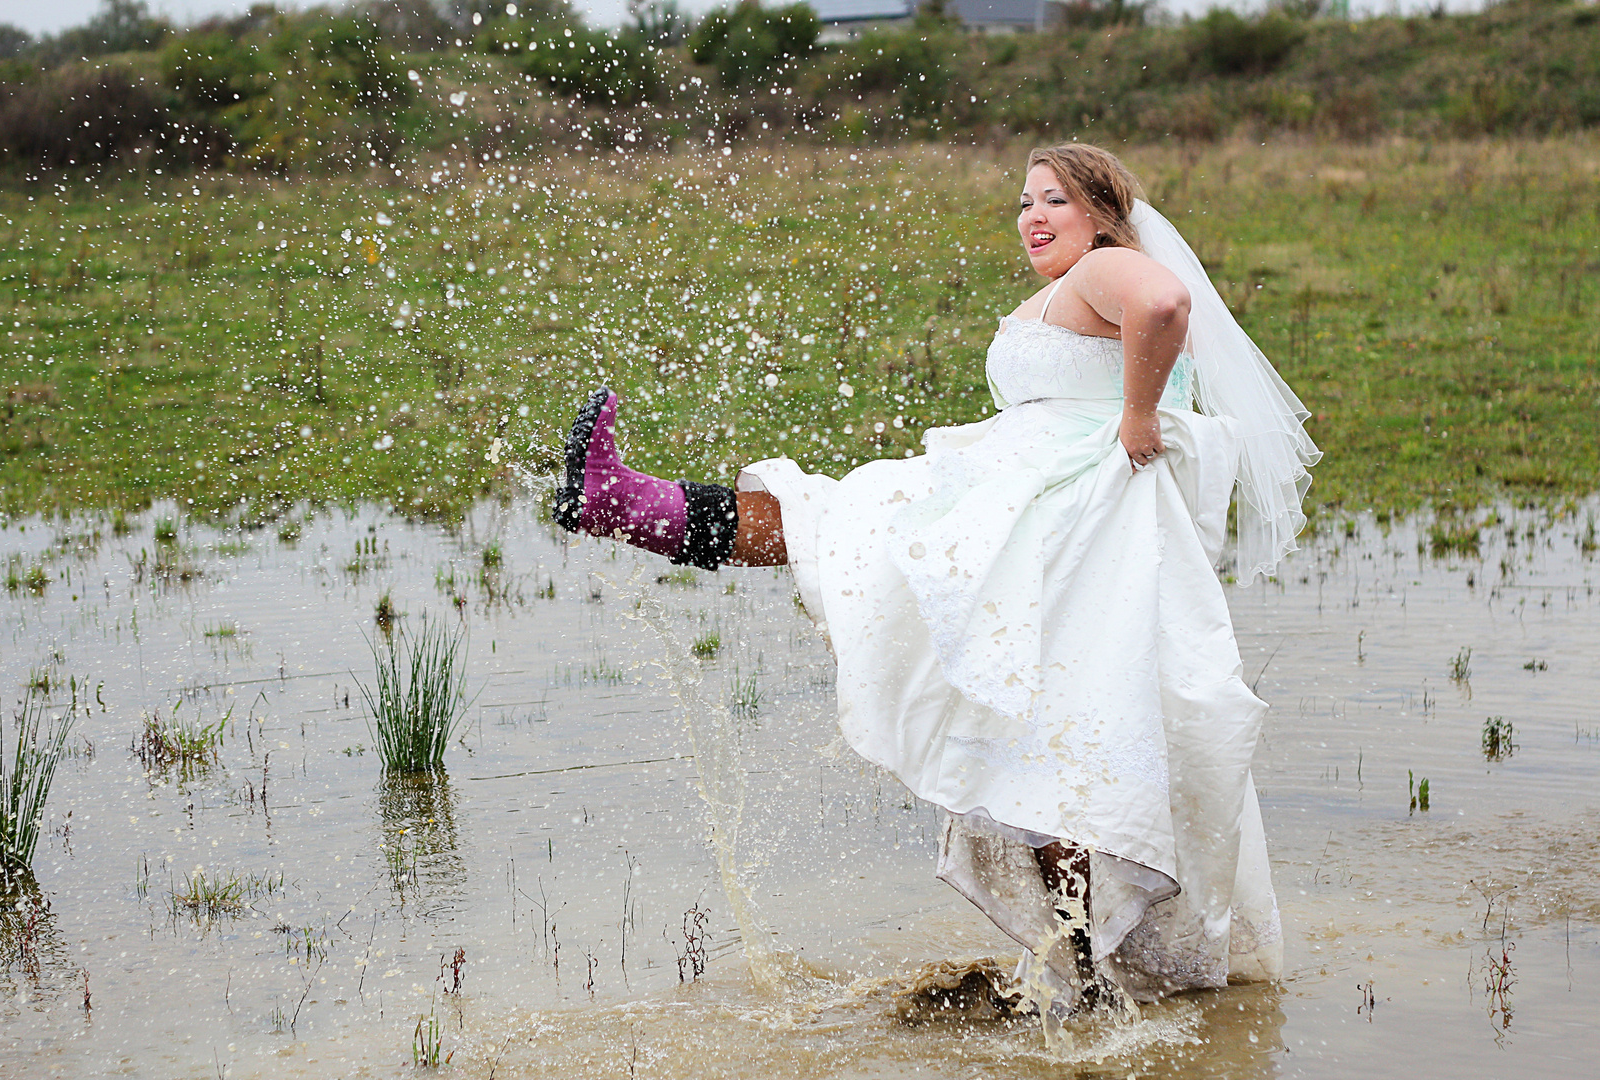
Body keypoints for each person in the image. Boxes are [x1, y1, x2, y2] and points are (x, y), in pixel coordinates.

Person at [551, 144, 1319, 1017]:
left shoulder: (1109, 266)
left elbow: (1166, 302)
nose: (1032, 218)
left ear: (1100, 216)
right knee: (1037, 746)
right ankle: (1088, 986)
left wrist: (1137, 415)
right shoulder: (1083, 279)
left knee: (848, 535)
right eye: (1024, 202)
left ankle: (625, 504)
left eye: (1054, 202)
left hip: (1067, 529)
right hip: (1045, 522)